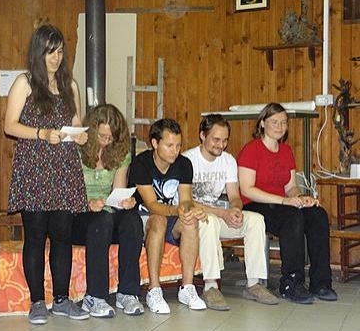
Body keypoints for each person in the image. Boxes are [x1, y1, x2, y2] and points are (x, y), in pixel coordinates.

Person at [5, 24, 90, 325]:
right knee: (36, 236)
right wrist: (42, 133)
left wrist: (80, 135)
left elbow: (76, 121)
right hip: (34, 168)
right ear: (38, 52)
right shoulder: (25, 82)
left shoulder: (70, 85)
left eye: (59, 51)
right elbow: (10, 125)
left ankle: (62, 300)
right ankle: (37, 302)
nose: (55, 58)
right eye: (49, 52)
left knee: (63, 236)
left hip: (64, 168)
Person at [238, 102, 337, 303]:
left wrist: (301, 198)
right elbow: (247, 189)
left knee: (317, 214)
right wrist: (285, 201)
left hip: (282, 204)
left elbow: (291, 186)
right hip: (255, 205)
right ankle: (291, 282)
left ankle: (320, 282)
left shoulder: (286, 151)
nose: (280, 126)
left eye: (284, 122)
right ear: (263, 123)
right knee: (292, 216)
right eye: (274, 122)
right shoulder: (251, 150)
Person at [182, 114, 279, 310]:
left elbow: (235, 195)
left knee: (256, 220)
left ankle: (254, 283)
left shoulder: (228, 160)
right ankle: (210, 286)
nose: (221, 145)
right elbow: (187, 202)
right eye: (216, 139)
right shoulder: (187, 160)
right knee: (209, 220)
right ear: (202, 135)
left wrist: (235, 209)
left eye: (225, 140)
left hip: (219, 213)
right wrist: (222, 213)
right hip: (194, 217)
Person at [73, 104, 145, 318]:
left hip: (106, 212)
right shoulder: (76, 150)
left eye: (110, 138)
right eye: (101, 136)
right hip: (78, 215)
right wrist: (88, 203)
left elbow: (118, 191)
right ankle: (94, 296)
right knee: (102, 220)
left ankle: (127, 293)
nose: (105, 141)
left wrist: (126, 201)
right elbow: (67, 193)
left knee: (132, 220)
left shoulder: (121, 153)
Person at [129, 118, 207, 314]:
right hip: (142, 217)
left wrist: (189, 210)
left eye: (178, 145)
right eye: (170, 145)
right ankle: (154, 290)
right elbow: (152, 205)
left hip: (171, 215)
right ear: (155, 143)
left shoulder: (184, 164)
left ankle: (187, 287)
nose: (175, 151)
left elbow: (186, 200)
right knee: (159, 220)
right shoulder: (141, 163)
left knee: (190, 222)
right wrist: (177, 210)